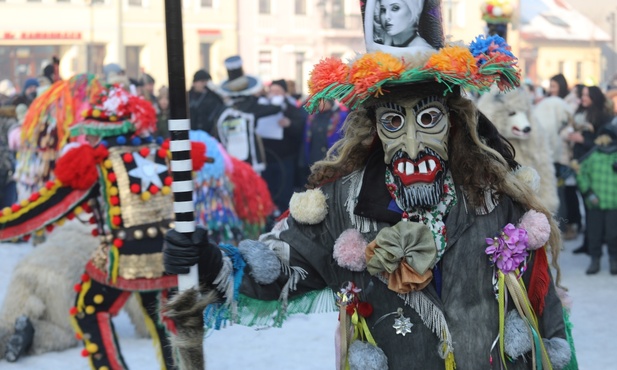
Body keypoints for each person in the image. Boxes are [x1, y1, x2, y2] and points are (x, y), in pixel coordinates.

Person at [162, 4, 574, 368]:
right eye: (393, 122)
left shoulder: (494, 193)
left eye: (428, 118)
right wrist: (211, 261)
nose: (412, 145)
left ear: (454, 122)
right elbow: (281, 266)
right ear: (374, 128)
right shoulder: (345, 203)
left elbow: (544, 307)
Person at [0, 84, 197, 369]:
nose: (87, 137)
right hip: (172, 256)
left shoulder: (100, 164)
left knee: (88, 309)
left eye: (91, 131)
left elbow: (44, 209)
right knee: (162, 318)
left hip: (125, 256)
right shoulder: (163, 152)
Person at [568, 86, 614, 253]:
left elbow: (605, 144)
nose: (584, 98)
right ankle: (590, 242)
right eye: (583, 94)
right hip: (580, 164)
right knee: (587, 204)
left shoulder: (603, 117)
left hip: (595, 167)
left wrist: (582, 139)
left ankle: (596, 242)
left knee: (593, 205)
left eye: (588, 95)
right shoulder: (580, 114)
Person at [259, 79, 307, 213]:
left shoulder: (291, 108)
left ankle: (283, 216)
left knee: (284, 193)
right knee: (269, 190)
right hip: (267, 158)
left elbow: (300, 129)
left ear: (284, 93)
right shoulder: (263, 107)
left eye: (277, 91)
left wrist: (289, 124)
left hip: (286, 159)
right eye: (272, 91)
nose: (274, 94)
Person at [576, 122, 617, 275]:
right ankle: (595, 259)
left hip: (614, 203)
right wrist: (588, 193)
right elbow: (581, 173)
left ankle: (614, 259)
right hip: (595, 203)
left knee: (614, 234)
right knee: (594, 234)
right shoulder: (593, 155)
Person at [188, 69, 226, 137]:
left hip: (209, 135)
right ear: (194, 83)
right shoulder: (188, 97)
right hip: (191, 134)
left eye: (207, 82)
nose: (205, 84)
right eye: (202, 81)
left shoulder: (213, 97)